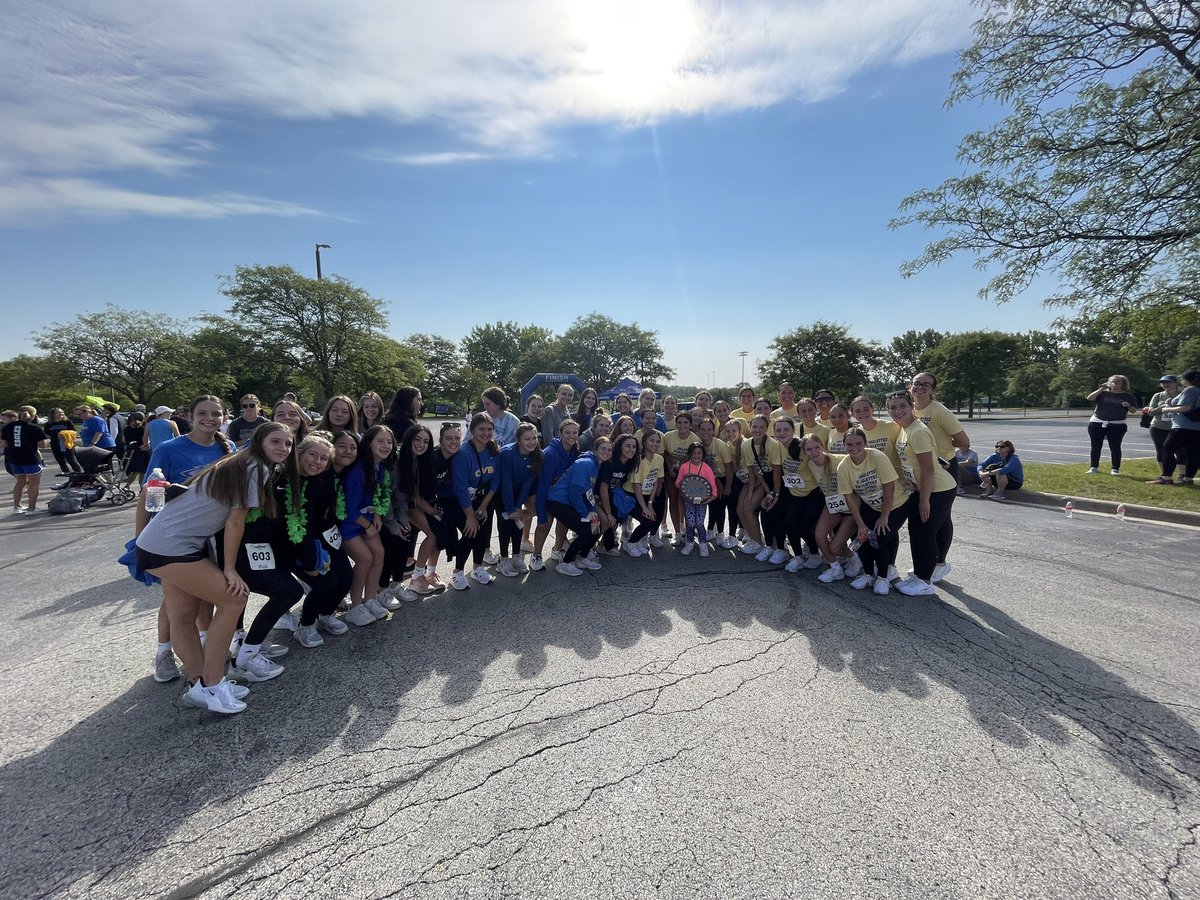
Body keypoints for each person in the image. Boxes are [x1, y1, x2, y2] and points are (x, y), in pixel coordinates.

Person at [134, 423, 291, 714]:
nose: (283, 448)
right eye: (276, 441)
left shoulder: (237, 462)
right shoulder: (255, 467)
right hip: (171, 546)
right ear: (259, 441)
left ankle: (199, 687)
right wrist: (230, 569)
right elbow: (235, 521)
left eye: (288, 443)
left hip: (163, 542)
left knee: (182, 615)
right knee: (234, 599)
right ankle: (214, 683)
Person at [137, 396, 234, 685]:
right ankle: (165, 653)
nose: (209, 418)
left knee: (205, 601)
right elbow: (148, 493)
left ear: (223, 416)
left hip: (211, 537)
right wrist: (139, 537)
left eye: (215, 413)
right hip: (175, 537)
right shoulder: (169, 449)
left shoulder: (227, 448)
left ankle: (203, 662)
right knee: (179, 606)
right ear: (189, 415)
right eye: (202, 413)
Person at [887, 390, 958, 596]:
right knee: (917, 532)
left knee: (924, 533)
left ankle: (925, 581)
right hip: (924, 488)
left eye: (902, 406)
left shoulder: (917, 431)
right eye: (893, 407)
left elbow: (927, 469)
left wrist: (924, 500)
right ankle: (919, 574)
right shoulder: (904, 429)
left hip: (938, 490)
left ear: (911, 406)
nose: (897, 411)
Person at [291, 435, 353, 648]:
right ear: (299, 453)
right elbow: (299, 526)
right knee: (325, 583)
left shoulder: (323, 478)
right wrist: (310, 561)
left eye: (323, 458)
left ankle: (326, 615)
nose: (317, 462)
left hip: (325, 537)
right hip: (295, 543)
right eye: (312, 455)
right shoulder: (284, 480)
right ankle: (305, 625)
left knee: (346, 577)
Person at [838, 428, 910, 596]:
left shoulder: (877, 457)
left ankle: (883, 577)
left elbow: (889, 488)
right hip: (871, 505)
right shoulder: (844, 466)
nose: (854, 447)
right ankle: (869, 574)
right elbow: (849, 497)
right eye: (849, 444)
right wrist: (860, 524)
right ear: (844, 445)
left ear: (865, 443)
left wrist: (884, 516)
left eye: (858, 443)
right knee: (862, 537)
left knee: (879, 538)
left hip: (896, 504)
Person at [340, 425, 398, 625]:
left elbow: (376, 497)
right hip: (350, 522)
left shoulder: (380, 466)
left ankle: (370, 598)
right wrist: (367, 525)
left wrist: (378, 516)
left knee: (379, 553)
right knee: (365, 559)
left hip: (367, 518)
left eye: (389, 442)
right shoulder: (357, 470)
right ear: (369, 443)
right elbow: (348, 508)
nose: (386, 446)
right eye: (380, 441)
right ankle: (355, 606)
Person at [447, 413, 500, 589]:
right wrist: (470, 516)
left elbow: (495, 481)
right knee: (472, 531)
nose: (486, 433)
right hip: (459, 502)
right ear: (473, 429)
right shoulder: (463, 453)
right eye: (481, 429)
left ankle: (478, 568)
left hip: (481, 499)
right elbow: (460, 489)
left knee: (484, 533)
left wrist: (484, 506)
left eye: (489, 429)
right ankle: (457, 573)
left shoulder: (493, 450)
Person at [390, 424, 443, 594]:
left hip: (410, 505)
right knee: (433, 534)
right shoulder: (399, 460)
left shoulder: (420, 459)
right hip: (399, 508)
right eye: (417, 440)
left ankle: (428, 573)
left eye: (426, 442)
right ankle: (417, 577)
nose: (421, 444)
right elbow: (412, 496)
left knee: (438, 533)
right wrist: (433, 511)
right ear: (409, 439)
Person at [801, 434, 860, 583]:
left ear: (823, 446)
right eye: (809, 449)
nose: (814, 452)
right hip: (833, 505)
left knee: (835, 547)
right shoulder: (810, 465)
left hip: (851, 508)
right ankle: (835, 568)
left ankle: (855, 558)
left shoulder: (840, 460)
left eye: (817, 447)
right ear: (804, 452)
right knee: (819, 536)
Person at [547, 437, 611, 575]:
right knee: (586, 530)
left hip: (570, 501)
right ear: (595, 450)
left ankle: (582, 557)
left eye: (609, 450)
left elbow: (587, 492)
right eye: (603, 448)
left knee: (596, 526)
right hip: (557, 501)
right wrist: (584, 513)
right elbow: (574, 491)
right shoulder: (585, 463)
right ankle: (565, 563)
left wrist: (592, 511)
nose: (606, 452)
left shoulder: (596, 465)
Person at [532, 419, 581, 569]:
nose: (571, 436)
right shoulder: (551, 454)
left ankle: (557, 549)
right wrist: (540, 513)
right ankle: (536, 555)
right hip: (545, 493)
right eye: (567, 433)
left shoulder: (575, 449)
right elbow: (543, 485)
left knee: (564, 520)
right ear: (560, 434)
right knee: (545, 522)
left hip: (562, 494)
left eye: (574, 432)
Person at [496, 423, 543, 577]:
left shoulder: (537, 455)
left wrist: (517, 506)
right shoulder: (508, 453)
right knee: (506, 523)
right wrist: (510, 508)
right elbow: (506, 482)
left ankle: (516, 555)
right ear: (518, 440)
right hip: (501, 491)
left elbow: (527, 483)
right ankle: (503, 559)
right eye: (527, 439)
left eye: (534, 438)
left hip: (518, 492)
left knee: (517, 522)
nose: (531, 442)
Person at [737, 414, 782, 557]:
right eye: (755, 426)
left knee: (758, 509)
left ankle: (771, 543)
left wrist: (774, 493)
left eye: (762, 427)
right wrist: (751, 492)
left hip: (774, 480)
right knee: (745, 507)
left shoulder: (773, 445)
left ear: (767, 429)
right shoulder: (746, 445)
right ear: (750, 427)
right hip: (760, 479)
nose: (758, 430)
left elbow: (776, 472)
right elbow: (753, 471)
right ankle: (756, 541)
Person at [1147, 369, 1200, 485]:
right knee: (1193, 453)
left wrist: (1167, 408)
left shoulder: (1190, 390)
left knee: (1167, 449)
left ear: (1187, 380)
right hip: (1197, 428)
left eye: (1182, 379)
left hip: (1182, 426)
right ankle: (1188, 479)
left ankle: (1166, 478)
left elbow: (1185, 407)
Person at [1085, 374, 1138, 475]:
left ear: (1123, 384)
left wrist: (1128, 405)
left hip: (1117, 424)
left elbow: (1133, 410)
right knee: (1096, 446)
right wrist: (1101, 389)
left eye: (1117, 382)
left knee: (1115, 447)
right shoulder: (1103, 393)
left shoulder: (1128, 396)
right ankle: (1093, 467)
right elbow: (1090, 398)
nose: (1114, 383)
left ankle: (1115, 468)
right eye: (1112, 381)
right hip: (1097, 422)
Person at [597, 433, 639, 555]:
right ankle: (588, 549)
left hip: (613, 495)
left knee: (617, 516)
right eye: (627, 446)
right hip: (599, 495)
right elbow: (603, 488)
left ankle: (604, 545)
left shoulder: (629, 464)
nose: (631, 449)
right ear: (620, 446)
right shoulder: (610, 462)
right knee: (608, 519)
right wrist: (608, 511)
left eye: (634, 446)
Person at [674, 441, 717, 556]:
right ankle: (689, 543)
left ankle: (703, 544)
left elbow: (712, 485)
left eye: (699, 453)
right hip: (688, 500)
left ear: (703, 455)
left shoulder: (706, 468)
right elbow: (677, 483)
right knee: (690, 522)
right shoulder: (684, 467)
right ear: (689, 454)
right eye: (693, 453)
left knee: (699, 523)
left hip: (703, 501)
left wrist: (713, 496)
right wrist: (683, 480)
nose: (696, 456)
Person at [627, 431, 667, 554]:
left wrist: (650, 503)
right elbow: (636, 486)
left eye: (657, 441)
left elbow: (655, 480)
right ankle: (630, 543)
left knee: (658, 513)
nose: (655, 443)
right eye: (651, 440)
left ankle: (649, 537)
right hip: (631, 494)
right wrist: (645, 508)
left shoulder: (659, 459)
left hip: (648, 494)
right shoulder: (639, 460)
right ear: (644, 443)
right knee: (648, 519)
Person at [1, 406, 47, 514]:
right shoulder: (34, 428)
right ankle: (32, 508)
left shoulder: (7, 427)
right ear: (33, 415)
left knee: (20, 481)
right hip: (30, 458)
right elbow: (42, 445)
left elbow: (3, 443)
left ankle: (17, 507)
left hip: (14, 458)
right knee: (33, 483)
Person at [1145, 376, 1180, 467]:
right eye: (1163, 382)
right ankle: (1164, 475)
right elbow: (1151, 412)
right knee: (1161, 451)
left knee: (1181, 451)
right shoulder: (1158, 395)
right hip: (1158, 427)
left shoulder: (1182, 394)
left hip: (1178, 427)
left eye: (1169, 382)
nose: (1166, 384)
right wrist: (1163, 406)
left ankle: (1182, 476)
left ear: (1176, 383)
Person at [43, 407, 82, 475]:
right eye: (58, 412)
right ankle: (67, 474)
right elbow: (46, 433)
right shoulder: (48, 424)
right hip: (55, 444)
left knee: (71, 460)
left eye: (62, 412)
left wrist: (64, 433)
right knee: (61, 461)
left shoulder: (67, 422)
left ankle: (79, 474)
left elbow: (74, 432)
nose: (61, 414)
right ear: (53, 415)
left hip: (67, 444)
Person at [122, 412, 150, 488]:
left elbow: (124, 440)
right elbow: (146, 439)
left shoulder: (127, 429)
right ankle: (142, 487)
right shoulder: (143, 429)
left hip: (131, 450)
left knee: (134, 471)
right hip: (142, 451)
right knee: (143, 471)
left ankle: (128, 485)